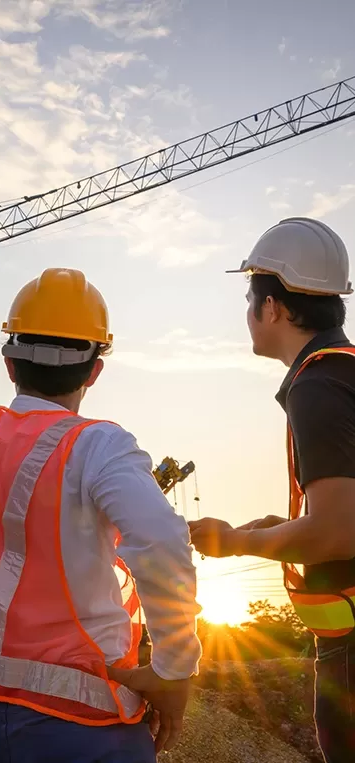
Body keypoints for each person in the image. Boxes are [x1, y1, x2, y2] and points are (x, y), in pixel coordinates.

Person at [0, 268, 201, 763]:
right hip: (92, 726)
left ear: (9, 364)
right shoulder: (98, 447)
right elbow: (161, 543)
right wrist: (175, 669)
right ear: (95, 370)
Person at [188, 217, 355, 763]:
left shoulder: (318, 387)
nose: (247, 314)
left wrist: (235, 543)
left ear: (274, 308)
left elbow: (335, 532)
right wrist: (279, 531)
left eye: (249, 299)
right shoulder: (345, 374)